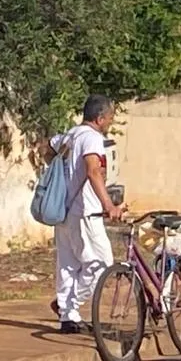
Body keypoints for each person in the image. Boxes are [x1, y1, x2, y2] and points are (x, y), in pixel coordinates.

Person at [49, 94, 124, 334]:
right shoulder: (92, 138)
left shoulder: (70, 135)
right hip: (85, 212)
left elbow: (46, 149)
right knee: (101, 265)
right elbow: (93, 172)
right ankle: (66, 304)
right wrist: (108, 205)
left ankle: (68, 318)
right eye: (110, 117)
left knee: (68, 265)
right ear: (100, 118)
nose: (111, 121)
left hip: (63, 208)